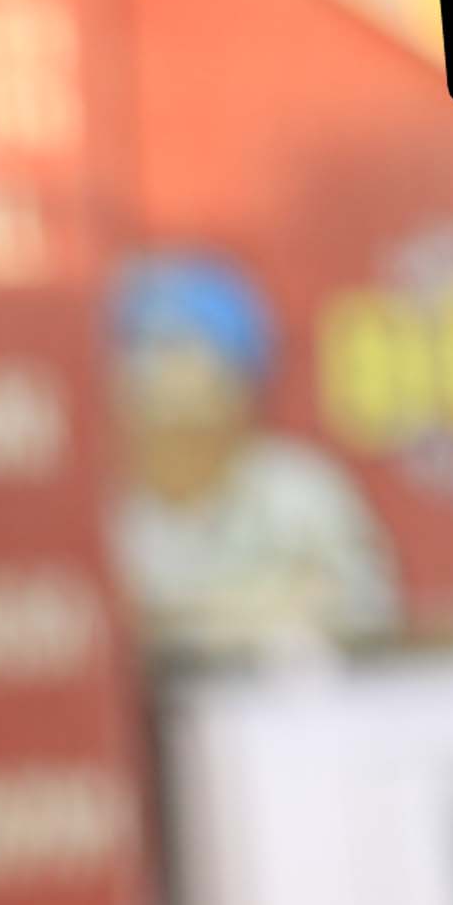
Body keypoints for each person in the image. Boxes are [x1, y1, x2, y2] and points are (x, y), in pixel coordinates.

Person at [105, 251, 398, 666]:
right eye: (137, 349)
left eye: (177, 348)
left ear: (240, 382)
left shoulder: (300, 492)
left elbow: (367, 614)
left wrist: (182, 624)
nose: (153, 372)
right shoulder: (100, 514)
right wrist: (259, 608)